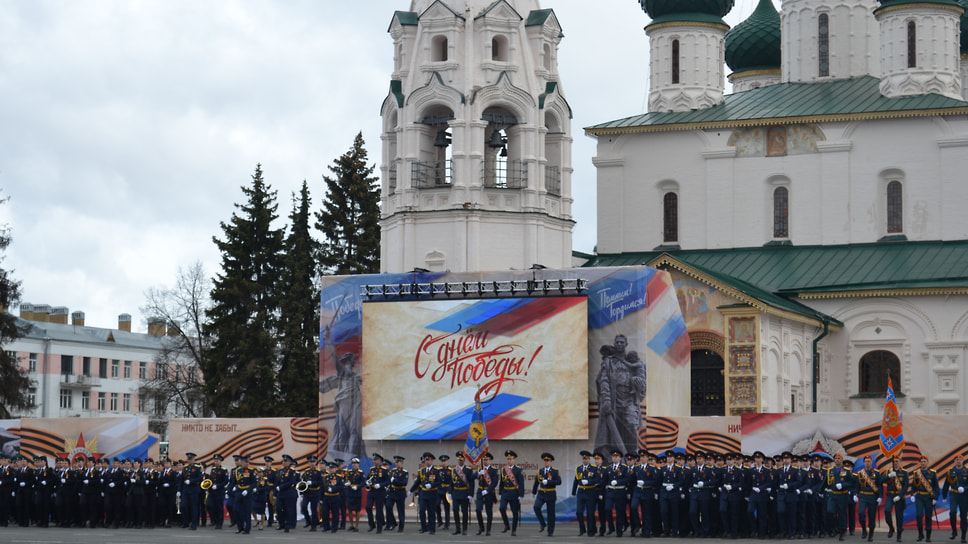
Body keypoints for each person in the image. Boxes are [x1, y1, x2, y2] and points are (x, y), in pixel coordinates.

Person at [594, 336, 647, 457]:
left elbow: (642, 382)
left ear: (626, 344)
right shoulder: (608, 362)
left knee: (631, 425)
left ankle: (633, 455)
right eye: (617, 342)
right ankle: (616, 458)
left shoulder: (633, 361)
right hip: (614, 399)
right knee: (614, 429)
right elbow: (604, 381)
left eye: (622, 342)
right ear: (614, 343)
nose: (619, 344)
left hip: (629, 399)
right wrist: (606, 400)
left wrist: (638, 383)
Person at [320, 325, 365, 460]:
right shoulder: (343, 371)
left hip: (356, 404)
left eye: (353, 359)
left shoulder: (355, 376)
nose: (353, 361)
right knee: (343, 431)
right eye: (351, 359)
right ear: (347, 361)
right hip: (345, 402)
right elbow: (333, 356)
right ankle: (340, 460)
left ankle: (352, 458)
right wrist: (327, 340)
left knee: (354, 432)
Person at [825, 452, 856, 541]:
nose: (837, 460)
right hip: (833, 495)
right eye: (836, 458)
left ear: (842, 460)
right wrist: (820, 490)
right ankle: (834, 528)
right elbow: (825, 481)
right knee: (830, 511)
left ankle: (842, 532)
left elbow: (852, 482)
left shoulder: (846, 471)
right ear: (834, 460)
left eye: (839, 458)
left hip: (842, 495)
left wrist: (843, 485)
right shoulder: (830, 470)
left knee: (842, 514)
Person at [910, 455, 940, 543]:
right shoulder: (916, 473)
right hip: (919, 496)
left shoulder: (932, 473)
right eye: (921, 461)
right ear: (920, 463)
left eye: (924, 461)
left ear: (927, 462)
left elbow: (936, 487)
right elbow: (913, 486)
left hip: (928, 497)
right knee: (919, 516)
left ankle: (928, 536)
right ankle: (920, 534)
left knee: (928, 516)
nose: (923, 463)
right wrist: (912, 494)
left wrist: (935, 498)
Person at [881, 454, 909, 542]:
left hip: (899, 496)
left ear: (900, 462)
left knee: (899, 516)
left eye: (897, 461)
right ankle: (891, 527)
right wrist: (888, 476)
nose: (895, 463)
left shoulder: (904, 472)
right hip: (890, 495)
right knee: (887, 510)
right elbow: (880, 480)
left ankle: (899, 534)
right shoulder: (888, 471)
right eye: (894, 461)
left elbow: (905, 486)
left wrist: (900, 496)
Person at [532, 452, 561, 536]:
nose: (546, 462)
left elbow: (559, 482)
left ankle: (550, 531)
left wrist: (548, 481)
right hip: (541, 493)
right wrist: (534, 492)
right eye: (545, 461)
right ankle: (542, 523)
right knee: (536, 507)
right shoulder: (540, 471)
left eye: (548, 461)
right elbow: (536, 482)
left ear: (551, 462)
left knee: (550, 513)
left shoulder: (555, 471)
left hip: (551, 492)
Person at [411, 452, 440, 534]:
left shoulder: (436, 471)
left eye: (428, 460)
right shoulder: (422, 471)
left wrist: (431, 485)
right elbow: (417, 482)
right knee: (421, 511)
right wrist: (411, 490)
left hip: (432, 494)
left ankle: (432, 528)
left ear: (432, 461)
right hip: (423, 494)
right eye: (425, 460)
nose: (427, 462)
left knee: (431, 512)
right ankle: (423, 527)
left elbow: (439, 481)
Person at [603, 449, 630, 536]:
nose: (614, 458)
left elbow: (627, 479)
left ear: (620, 458)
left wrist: (618, 482)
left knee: (620, 511)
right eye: (613, 456)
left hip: (620, 491)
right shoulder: (609, 468)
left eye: (616, 456)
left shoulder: (624, 468)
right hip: (610, 491)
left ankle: (619, 530)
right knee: (607, 509)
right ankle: (611, 527)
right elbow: (605, 480)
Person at [775, 451, 802, 539]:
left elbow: (799, 481)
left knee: (791, 515)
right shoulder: (779, 470)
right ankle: (783, 531)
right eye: (784, 459)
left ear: (790, 460)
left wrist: (789, 485)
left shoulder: (795, 470)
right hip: (781, 495)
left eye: (787, 458)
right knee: (781, 513)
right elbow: (775, 482)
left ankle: (792, 533)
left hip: (791, 495)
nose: (785, 460)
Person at [942, 453, 968, 543]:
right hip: (954, 494)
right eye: (957, 460)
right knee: (952, 512)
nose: (958, 461)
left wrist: (964, 488)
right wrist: (944, 496)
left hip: (964, 496)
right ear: (954, 461)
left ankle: (963, 535)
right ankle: (954, 531)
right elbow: (946, 485)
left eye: (960, 459)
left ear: (963, 460)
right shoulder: (950, 471)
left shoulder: (966, 471)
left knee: (963, 515)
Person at [499, 450, 525, 535]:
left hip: (514, 493)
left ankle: (514, 530)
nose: (509, 460)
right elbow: (502, 482)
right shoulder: (503, 469)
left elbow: (521, 483)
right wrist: (500, 493)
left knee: (514, 512)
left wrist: (521, 495)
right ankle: (507, 525)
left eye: (511, 459)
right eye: (508, 459)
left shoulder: (518, 470)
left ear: (514, 460)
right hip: (505, 492)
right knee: (502, 508)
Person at [854, 455, 879, 541]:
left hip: (872, 496)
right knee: (861, 513)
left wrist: (880, 497)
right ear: (864, 462)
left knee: (872, 516)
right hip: (863, 496)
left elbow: (880, 486)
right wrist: (855, 494)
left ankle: (871, 534)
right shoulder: (860, 473)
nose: (867, 463)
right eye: (866, 461)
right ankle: (864, 529)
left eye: (869, 461)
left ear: (871, 462)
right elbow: (857, 486)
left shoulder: (876, 473)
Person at [451, 451, 475, 536]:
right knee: (455, 511)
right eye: (459, 460)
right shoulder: (454, 470)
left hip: (465, 493)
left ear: (464, 460)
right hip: (456, 493)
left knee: (464, 512)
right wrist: (450, 493)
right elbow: (451, 482)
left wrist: (471, 494)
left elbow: (471, 483)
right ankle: (458, 528)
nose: (460, 461)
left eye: (462, 460)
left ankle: (464, 529)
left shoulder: (468, 470)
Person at [365, 453, 389, 533]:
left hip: (380, 492)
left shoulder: (384, 470)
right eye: (373, 460)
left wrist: (380, 485)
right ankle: (371, 524)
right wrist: (367, 482)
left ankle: (379, 527)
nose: (374, 461)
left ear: (379, 460)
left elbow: (388, 481)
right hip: (371, 491)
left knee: (379, 510)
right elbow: (367, 478)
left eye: (375, 460)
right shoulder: (371, 469)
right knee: (368, 507)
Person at [475, 451, 498, 536]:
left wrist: (487, 490)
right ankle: (481, 527)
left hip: (489, 492)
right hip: (480, 491)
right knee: (478, 510)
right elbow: (472, 477)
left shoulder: (494, 470)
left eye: (487, 460)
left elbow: (494, 482)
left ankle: (488, 530)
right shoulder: (480, 469)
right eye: (484, 460)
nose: (485, 461)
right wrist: (478, 474)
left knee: (489, 512)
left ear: (490, 461)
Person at [386, 455, 408, 532]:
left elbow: (404, 483)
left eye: (398, 462)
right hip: (392, 492)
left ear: (401, 463)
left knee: (400, 510)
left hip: (400, 492)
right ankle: (393, 522)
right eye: (396, 462)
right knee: (388, 506)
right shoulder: (392, 471)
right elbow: (389, 480)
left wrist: (394, 480)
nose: (396, 463)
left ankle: (401, 527)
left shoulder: (405, 472)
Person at [321, 461, 345, 533]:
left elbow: (341, 486)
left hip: (335, 497)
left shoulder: (339, 477)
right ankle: (326, 526)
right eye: (330, 468)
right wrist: (321, 498)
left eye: (333, 468)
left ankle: (334, 527)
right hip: (326, 497)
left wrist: (333, 489)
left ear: (336, 469)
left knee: (335, 513)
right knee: (325, 513)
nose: (331, 470)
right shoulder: (325, 477)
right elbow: (322, 488)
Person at [234, 455, 255, 534]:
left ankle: (247, 529)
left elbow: (254, 483)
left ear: (247, 463)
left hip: (247, 494)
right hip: (239, 492)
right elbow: (235, 481)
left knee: (247, 512)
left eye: (243, 462)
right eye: (241, 462)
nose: (241, 464)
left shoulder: (251, 471)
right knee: (237, 510)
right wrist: (230, 490)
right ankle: (240, 527)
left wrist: (248, 490)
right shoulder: (238, 471)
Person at [344, 457, 365, 531]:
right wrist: (346, 483)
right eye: (353, 463)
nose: (354, 465)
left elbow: (364, 483)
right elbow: (345, 480)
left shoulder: (361, 472)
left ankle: (357, 526)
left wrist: (358, 487)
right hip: (350, 492)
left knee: (357, 510)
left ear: (358, 464)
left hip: (357, 492)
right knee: (350, 509)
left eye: (355, 463)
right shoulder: (349, 472)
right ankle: (352, 525)